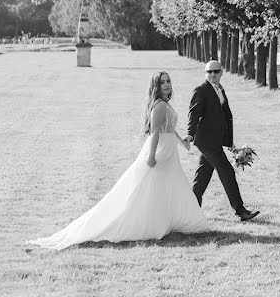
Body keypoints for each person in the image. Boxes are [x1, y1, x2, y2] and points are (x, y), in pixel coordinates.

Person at [29, 72, 208, 250]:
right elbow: (155, 132)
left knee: (169, 187)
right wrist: (152, 156)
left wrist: (182, 143)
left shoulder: (165, 104)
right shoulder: (159, 106)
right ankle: (149, 223)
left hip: (170, 152)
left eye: (168, 81)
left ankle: (169, 221)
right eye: (162, 82)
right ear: (156, 86)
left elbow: (169, 129)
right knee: (149, 188)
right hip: (160, 151)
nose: (167, 85)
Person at [184, 60, 259, 222]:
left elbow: (224, 117)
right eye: (209, 72)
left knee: (202, 176)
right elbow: (194, 114)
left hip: (215, 140)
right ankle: (240, 210)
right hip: (206, 142)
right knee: (227, 171)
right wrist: (190, 134)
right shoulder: (201, 90)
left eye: (216, 72)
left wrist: (229, 142)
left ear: (221, 72)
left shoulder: (219, 89)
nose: (212, 75)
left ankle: (189, 210)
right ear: (205, 73)